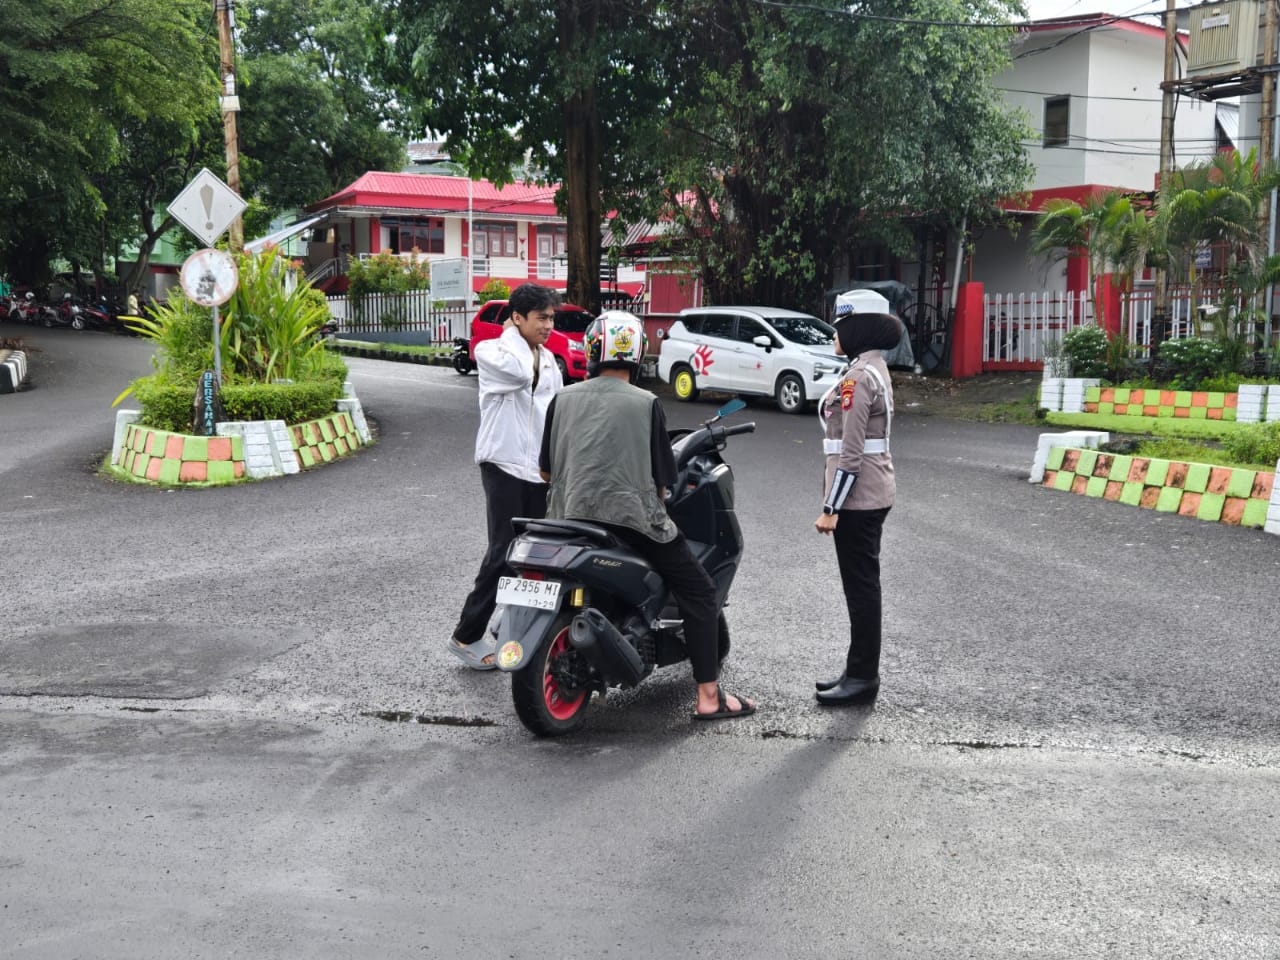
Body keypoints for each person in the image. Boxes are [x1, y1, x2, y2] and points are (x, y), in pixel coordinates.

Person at [539, 310, 756, 721]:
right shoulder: (647, 403)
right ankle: (709, 697)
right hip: (630, 522)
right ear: (637, 354)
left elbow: (545, 472)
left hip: (565, 519)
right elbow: (662, 483)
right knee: (700, 591)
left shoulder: (562, 398)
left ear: (591, 351)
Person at [450, 283, 564, 670]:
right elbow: (517, 374)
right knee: (503, 551)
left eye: (551, 318)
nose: (549, 326)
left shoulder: (548, 360)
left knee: (540, 555)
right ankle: (466, 636)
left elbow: (555, 415)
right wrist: (519, 340)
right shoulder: (492, 351)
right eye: (541, 318)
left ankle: (511, 624)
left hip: (538, 470)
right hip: (502, 464)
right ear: (517, 317)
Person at [812, 308, 904, 705]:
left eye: (839, 329)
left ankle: (863, 677)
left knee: (862, 590)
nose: (834, 335)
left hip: (858, 499)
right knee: (863, 587)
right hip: (872, 492)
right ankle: (857, 668)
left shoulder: (857, 379)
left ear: (856, 333)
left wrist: (831, 508)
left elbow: (850, 453)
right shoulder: (873, 370)